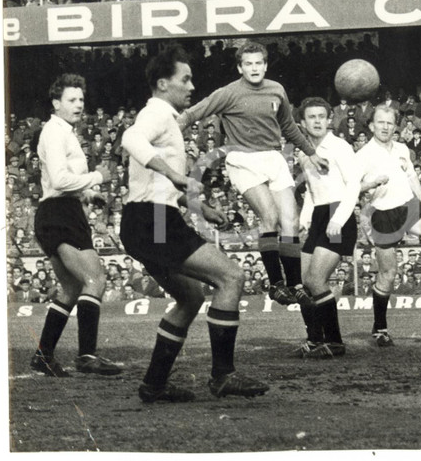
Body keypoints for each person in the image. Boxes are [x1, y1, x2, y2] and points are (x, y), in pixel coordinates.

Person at [120, 45, 269, 403]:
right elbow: (131, 139)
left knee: (189, 297)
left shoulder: (166, 118)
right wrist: (179, 177)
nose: (191, 86)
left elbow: (154, 183)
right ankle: (222, 376)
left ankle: (154, 384)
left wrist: (197, 205)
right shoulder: (156, 114)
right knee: (231, 277)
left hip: (146, 219)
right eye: (184, 79)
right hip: (154, 219)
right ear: (162, 84)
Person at [181, 42, 328, 307]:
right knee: (269, 216)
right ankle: (276, 284)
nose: (254, 68)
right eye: (248, 64)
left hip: (274, 156)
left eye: (258, 63)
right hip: (243, 159)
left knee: (291, 222)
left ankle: (295, 284)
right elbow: (194, 113)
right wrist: (167, 129)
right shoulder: (229, 93)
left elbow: (288, 126)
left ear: (266, 65)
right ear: (240, 67)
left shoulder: (276, 90)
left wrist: (312, 153)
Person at [30, 74, 121, 377]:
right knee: (95, 278)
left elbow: (61, 182)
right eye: (72, 99)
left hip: (59, 211)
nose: (79, 104)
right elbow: (58, 181)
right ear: (56, 104)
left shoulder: (63, 132)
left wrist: (88, 193)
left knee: (70, 288)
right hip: (60, 214)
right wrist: (97, 178)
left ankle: (43, 356)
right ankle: (87, 355)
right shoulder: (55, 133)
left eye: (81, 99)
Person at [356, 106, 421, 346]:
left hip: (409, 207)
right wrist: (370, 184)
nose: (385, 127)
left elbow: (411, 177)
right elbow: (351, 189)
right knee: (388, 276)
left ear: (395, 126)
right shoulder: (363, 155)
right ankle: (380, 328)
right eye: (380, 122)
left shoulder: (402, 149)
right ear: (371, 126)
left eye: (390, 123)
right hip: (382, 215)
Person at [293, 97, 362, 358]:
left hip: (338, 215)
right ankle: (314, 340)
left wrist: (339, 218)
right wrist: (304, 220)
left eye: (322, 116)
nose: (318, 121)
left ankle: (334, 342)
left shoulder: (340, 147)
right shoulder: (303, 153)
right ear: (302, 122)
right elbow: (311, 192)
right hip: (319, 216)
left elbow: (354, 185)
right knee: (300, 284)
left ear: (329, 119)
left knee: (315, 279)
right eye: (312, 117)